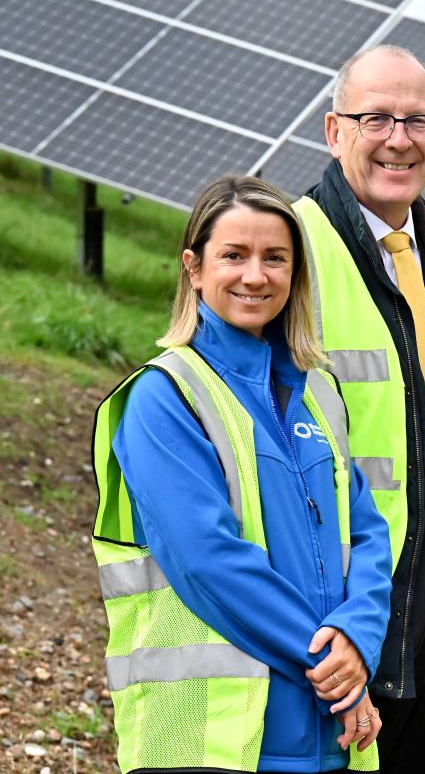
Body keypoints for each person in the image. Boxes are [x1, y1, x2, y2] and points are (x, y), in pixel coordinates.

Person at [91, 176, 393, 772]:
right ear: (193, 269)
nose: (256, 276)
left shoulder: (318, 395)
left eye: (275, 258)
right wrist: (337, 673)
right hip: (217, 739)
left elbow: (367, 532)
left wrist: (359, 634)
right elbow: (207, 558)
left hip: (327, 736)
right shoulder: (164, 398)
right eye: (234, 255)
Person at [291, 45, 425, 772]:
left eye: (418, 120)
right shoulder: (289, 246)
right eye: (375, 117)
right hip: (331, 607)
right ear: (333, 131)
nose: (399, 138)